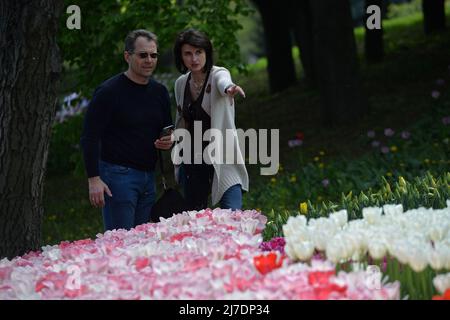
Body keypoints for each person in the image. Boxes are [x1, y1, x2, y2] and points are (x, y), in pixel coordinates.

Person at [80, 30, 173, 231]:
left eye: (153, 55)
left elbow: (167, 129)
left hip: (149, 178)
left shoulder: (160, 92)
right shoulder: (108, 92)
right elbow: (90, 137)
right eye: (143, 55)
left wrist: (168, 141)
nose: (149, 60)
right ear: (127, 56)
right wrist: (93, 179)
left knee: (141, 244)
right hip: (117, 177)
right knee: (119, 245)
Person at [172, 28, 249, 211]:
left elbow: (224, 82)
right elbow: (181, 122)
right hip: (193, 163)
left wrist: (230, 88)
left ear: (207, 52)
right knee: (196, 223)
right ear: (181, 57)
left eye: (199, 52)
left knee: (232, 218)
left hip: (223, 159)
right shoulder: (180, 84)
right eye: (188, 54)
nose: (194, 59)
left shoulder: (218, 75)